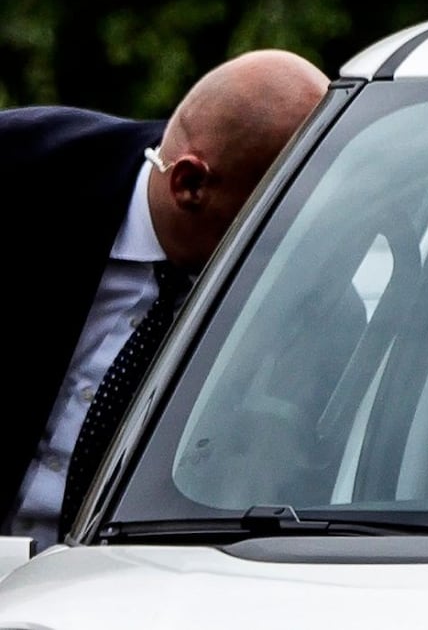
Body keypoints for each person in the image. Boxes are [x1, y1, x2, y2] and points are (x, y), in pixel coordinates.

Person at [2, 49, 331, 548]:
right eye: (278, 218)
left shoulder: (310, 306)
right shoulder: (21, 171)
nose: (296, 242)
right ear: (190, 184)